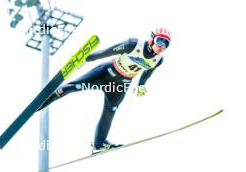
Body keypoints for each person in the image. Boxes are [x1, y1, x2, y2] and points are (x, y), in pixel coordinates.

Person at [37, 27, 171, 153]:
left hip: (120, 85)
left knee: (110, 111)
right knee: (71, 88)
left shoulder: (158, 60)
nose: (162, 46)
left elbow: (147, 72)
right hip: (105, 74)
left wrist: (141, 84)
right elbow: (106, 52)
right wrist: (84, 58)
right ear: (152, 38)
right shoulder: (133, 44)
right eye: (160, 40)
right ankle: (39, 104)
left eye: (166, 44)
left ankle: (99, 144)